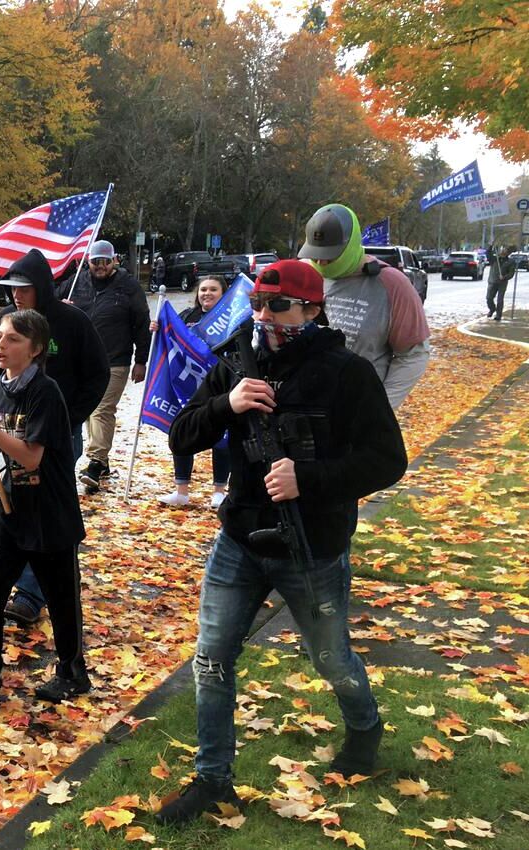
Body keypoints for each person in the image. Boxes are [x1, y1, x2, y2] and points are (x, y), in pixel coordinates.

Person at [156, 260, 407, 824]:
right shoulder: (235, 363)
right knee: (212, 658)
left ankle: (364, 729)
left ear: (312, 310)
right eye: (259, 305)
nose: (265, 316)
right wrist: (227, 404)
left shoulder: (346, 374)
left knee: (331, 659)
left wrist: (309, 480)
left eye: (279, 307)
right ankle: (213, 781)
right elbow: (181, 435)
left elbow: (388, 459)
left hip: (312, 547)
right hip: (240, 541)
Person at [0, 308, 89, 707]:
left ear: (34, 349)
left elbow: (31, 456)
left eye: (13, 339)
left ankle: (72, 671)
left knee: (61, 597)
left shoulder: (45, 392)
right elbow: (5, 443)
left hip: (50, 512)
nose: (1, 344)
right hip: (12, 507)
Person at [0, 249, 108, 627]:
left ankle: (33, 593)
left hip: (58, 432)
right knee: (18, 501)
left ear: (42, 288)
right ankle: (15, 576)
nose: (17, 295)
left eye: (25, 288)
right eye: (11, 288)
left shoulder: (72, 321)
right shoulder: (3, 325)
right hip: (13, 432)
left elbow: (97, 374)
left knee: (49, 509)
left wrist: (70, 416)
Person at [298, 203, 429, 409]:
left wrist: (378, 408)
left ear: (350, 244)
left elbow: (413, 355)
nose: (322, 264)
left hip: (359, 414)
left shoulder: (392, 284)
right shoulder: (303, 275)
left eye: (330, 256)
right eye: (316, 255)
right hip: (306, 413)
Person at [62, 240, 150, 491]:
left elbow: (142, 324)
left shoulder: (129, 287)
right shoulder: (77, 282)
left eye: (105, 261)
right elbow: (52, 301)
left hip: (115, 360)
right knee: (88, 410)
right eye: (95, 261)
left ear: (114, 261)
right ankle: (104, 460)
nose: (100, 266)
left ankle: (95, 462)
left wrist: (141, 361)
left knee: (101, 409)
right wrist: (61, 306)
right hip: (81, 360)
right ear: (88, 262)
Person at [151, 276, 231, 507]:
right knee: (184, 431)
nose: (207, 293)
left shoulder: (233, 318)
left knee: (223, 437)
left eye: (213, 289)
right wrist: (157, 329)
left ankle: (219, 491)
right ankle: (181, 491)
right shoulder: (186, 316)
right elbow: (170, 339)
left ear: (223, 293)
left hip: (220, 383)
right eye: (203, 289)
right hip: (188, 387)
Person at [486, 245, 515, 322]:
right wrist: (490, 246)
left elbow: (511, 273)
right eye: (503, 250)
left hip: (502, 283)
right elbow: (488, 254)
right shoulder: (495, 259)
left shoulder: (510, 262)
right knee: (489, 298)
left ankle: (498, 315)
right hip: (492, 281)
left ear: (508, 253)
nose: (503, 251)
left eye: (505, 250)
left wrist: (504, 277)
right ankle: (492, 309)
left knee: (500, 300)